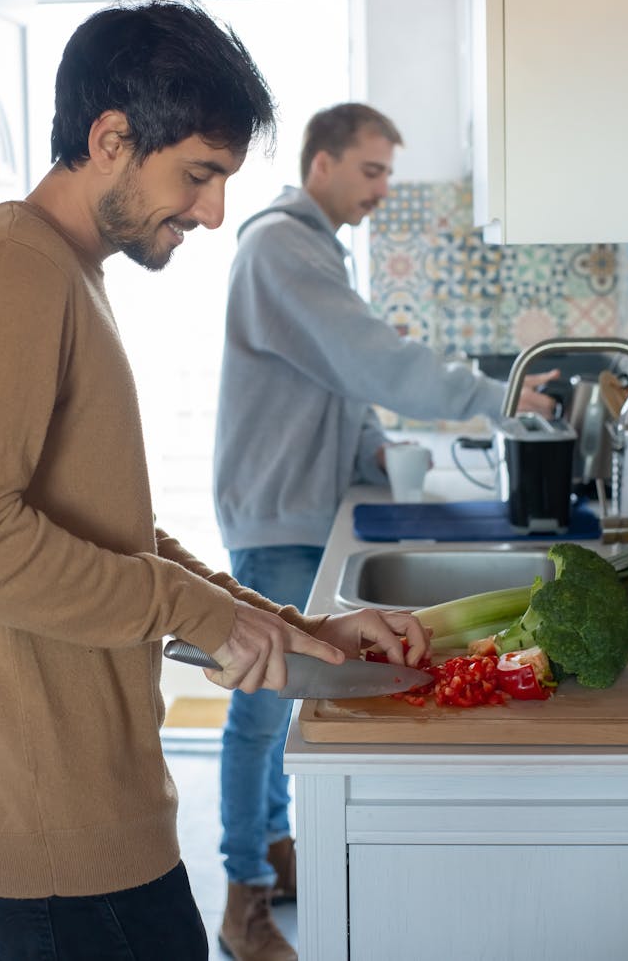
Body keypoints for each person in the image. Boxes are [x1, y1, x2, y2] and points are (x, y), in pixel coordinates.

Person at [0, 10, 431, 961]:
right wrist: (205, 613)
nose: (214, 212)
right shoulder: (10, 275)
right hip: (50, 822)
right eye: (198, 174)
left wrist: (294, 631)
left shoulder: (63, 272)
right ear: (110, 140)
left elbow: (119, 536)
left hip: (84, 805)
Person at [212, 102, 558, 958]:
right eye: (371, 171)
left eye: (388, 175)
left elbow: (332, 382)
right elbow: (372, 359)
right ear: (321, 164)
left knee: (277, 695)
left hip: (297, 501)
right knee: (262, 705)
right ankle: (242, 893)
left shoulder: (310, 248)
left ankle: (274, 851)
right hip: (279, 509)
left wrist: (372, 445)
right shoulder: (279, 247)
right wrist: (501, 398)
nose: (380, 190)